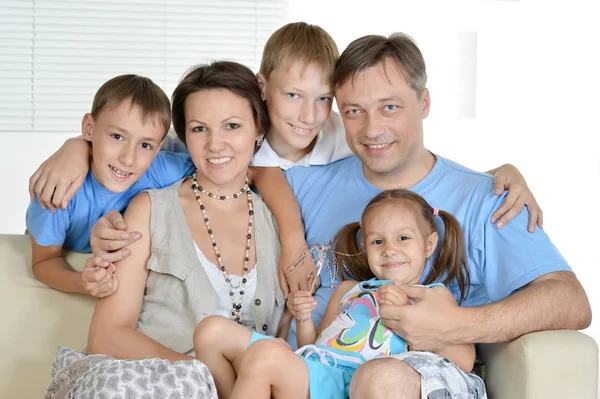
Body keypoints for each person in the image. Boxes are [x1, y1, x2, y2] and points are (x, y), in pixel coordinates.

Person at [29, 23, 543, 299]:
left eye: (324, 100)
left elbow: (412, 156)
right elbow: (144, 142)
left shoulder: (345, 134)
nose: (309, 115)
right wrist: (77, 148)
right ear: (261, 91)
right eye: (294, 96)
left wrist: (503, 171)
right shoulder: (225, 143)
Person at [280, 33, 590, 397]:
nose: (372, 129)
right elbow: (213, 150)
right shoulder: (304, 184)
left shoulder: (485, 199)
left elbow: (570, 300)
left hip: (408, 377)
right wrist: (289, 238)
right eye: (354, 111)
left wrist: (456, 325)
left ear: (424, 102)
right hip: (308, 373)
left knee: (380, 381)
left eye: (390, 107)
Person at [192, 189, 485, 399]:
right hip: (315, 369)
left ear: (429, 244)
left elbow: (464, 360)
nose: (390, 249)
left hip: (354, 382)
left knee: (264, 354)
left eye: (403, 238)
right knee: (211, 331)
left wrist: (406, 319)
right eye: (378, 240)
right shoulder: (349, 290)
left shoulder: (432, 296)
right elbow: (315, 344)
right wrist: (303, 318)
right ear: (365, 246)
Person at [25, 74, 194, 297]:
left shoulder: (159, 168)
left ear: (158, 147)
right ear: (89, 128)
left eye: (145, 144)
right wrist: (81, 282)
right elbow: (44, 261)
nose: (128, 158)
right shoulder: (59, 190)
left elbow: (216, 170)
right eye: (117, 136)